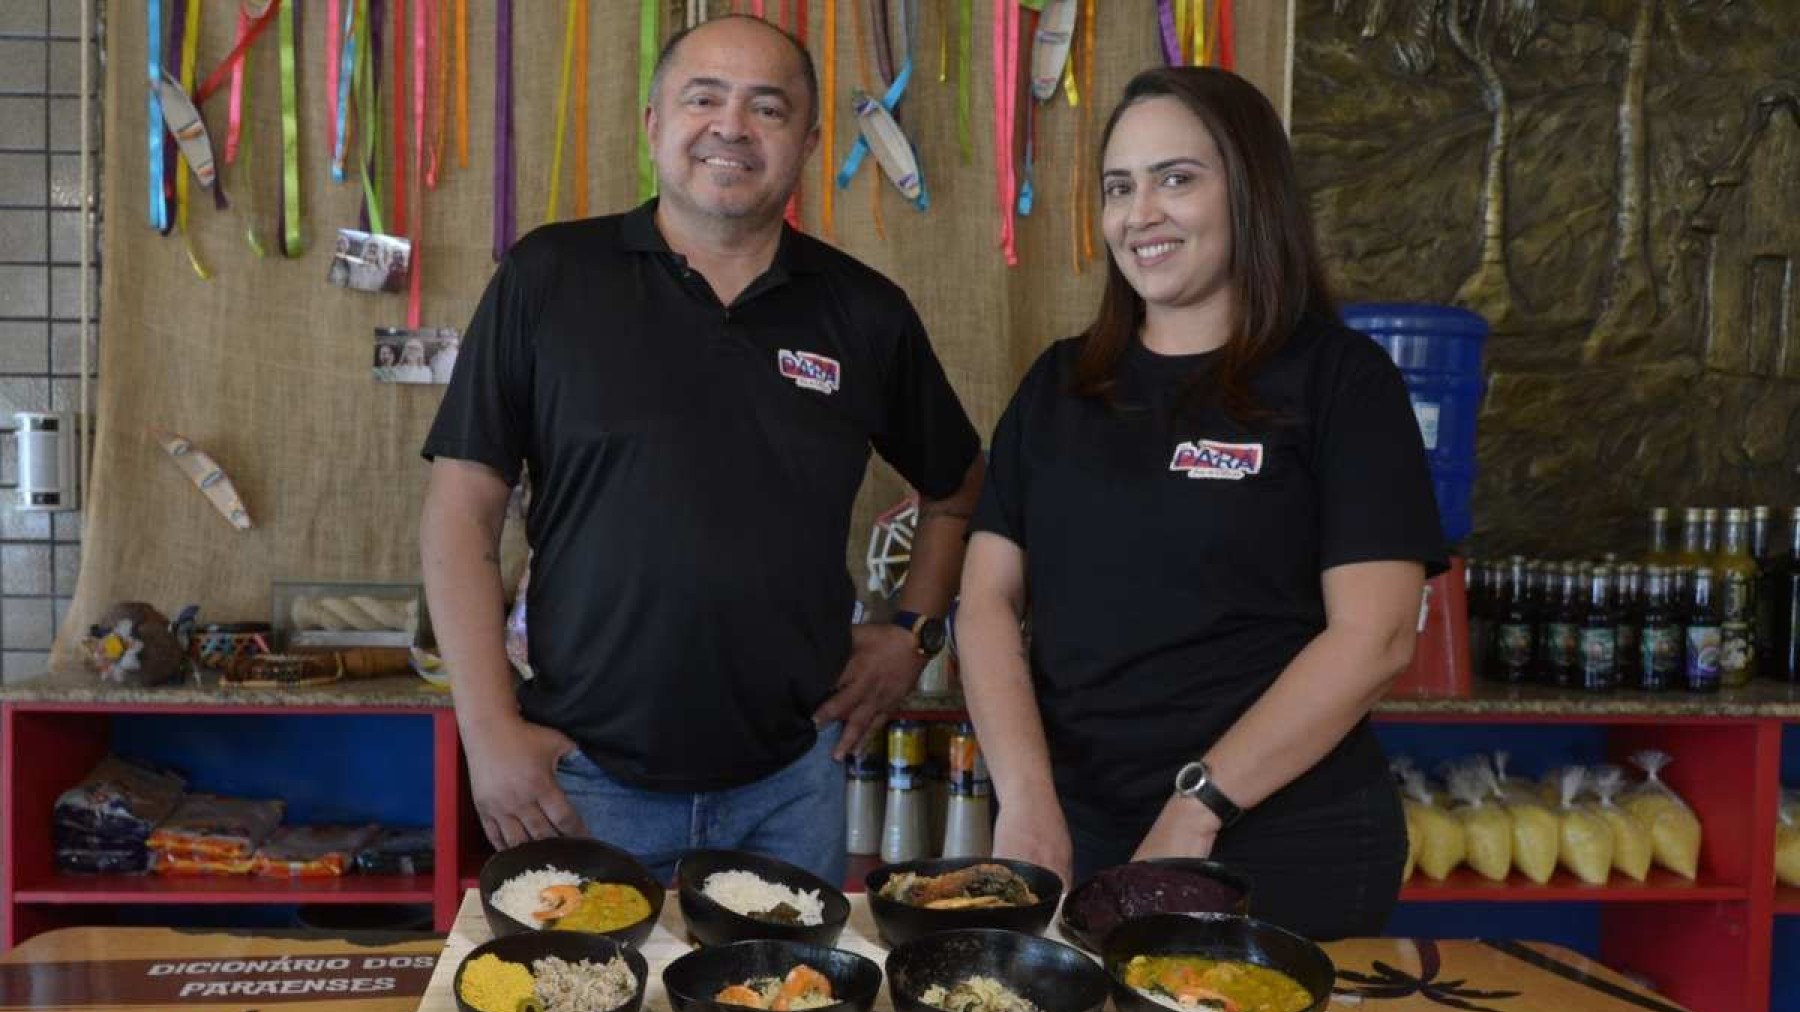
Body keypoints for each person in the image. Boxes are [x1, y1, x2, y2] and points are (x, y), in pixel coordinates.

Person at [419, 14, 983, 888]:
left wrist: (912, 633)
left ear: (807, 140)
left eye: (768, 107)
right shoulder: (550, 278)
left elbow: (959, 491)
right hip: (581, 778)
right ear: (653, 123)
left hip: (794, 785)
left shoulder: (864, 312)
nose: (732, 127)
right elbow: (461, 516)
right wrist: (489, 735)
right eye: (703, 98)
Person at [957, 67, 1444, 941]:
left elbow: (1375, 636)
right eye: (1119, 187)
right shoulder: (1061, 384)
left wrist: (1200, 806)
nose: (1140, 212)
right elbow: (987, 600)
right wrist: (1027, 799)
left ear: (1251, 191)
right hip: (1076, 832)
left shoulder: (1340, 381)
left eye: (1175, 178)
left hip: (1279, 840)